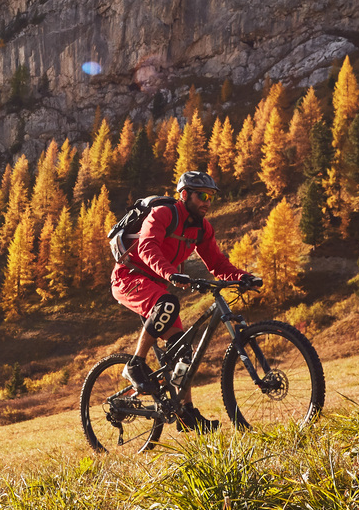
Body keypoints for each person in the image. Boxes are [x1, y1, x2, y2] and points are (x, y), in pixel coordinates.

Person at [108, 169, 258, 431]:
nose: (207, 202)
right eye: (202, 195)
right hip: (129, 278)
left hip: (157, 285)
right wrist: (170, 273)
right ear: (185, 194)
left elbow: (217, 263)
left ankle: (185, 413)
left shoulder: (202, 227)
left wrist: (243, 277)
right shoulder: (164, 213)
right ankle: (135, 365)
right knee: (168, 303)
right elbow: (147, 246)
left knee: (182, 351)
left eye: (211, 196)